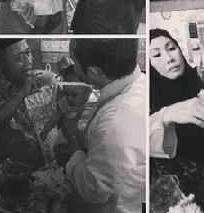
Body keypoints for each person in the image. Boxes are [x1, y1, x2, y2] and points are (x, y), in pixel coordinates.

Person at [57, 39, 146, 213]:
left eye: (74, 63)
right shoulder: (138, 83)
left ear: (94, 72)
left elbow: (92, 190)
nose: (73, 67)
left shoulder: (116, 121)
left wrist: (74, 147)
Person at [149, 28, 204, 213]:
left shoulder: (201, 79)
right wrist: (166, 115)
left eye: (171, 48)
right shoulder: (147, 96)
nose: (169, 58)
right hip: (169, 191)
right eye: (157, 55)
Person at [0, 39, 57, 168]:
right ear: (0, 63)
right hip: (18, 172)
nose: (28, 61)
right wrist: (21, 94)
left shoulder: (46, 79)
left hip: (57, 168)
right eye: (19, 58)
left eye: (28, 53)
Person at [39, 65, 95, 152]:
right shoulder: (65, 102)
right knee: (56, 148)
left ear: (89, 90)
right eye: (66, 94)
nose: (69, 98)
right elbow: (56, 116)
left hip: (82, 140)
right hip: (65, 135)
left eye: (74, 95)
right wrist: (46, 130)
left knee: (76, 146)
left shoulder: (92, 105)